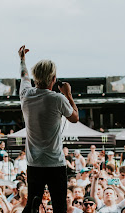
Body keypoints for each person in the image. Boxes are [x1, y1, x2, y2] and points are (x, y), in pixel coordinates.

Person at [18, 45, 79, 213]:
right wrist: (68, 94)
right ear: (53, 78)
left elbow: (23, 75)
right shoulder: (58, 99)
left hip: (34, 163)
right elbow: (75, 118)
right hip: (55, 163)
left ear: (36, 77)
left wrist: (22, 59)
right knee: (59, 206)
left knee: (32, 205)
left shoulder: (25, 94)